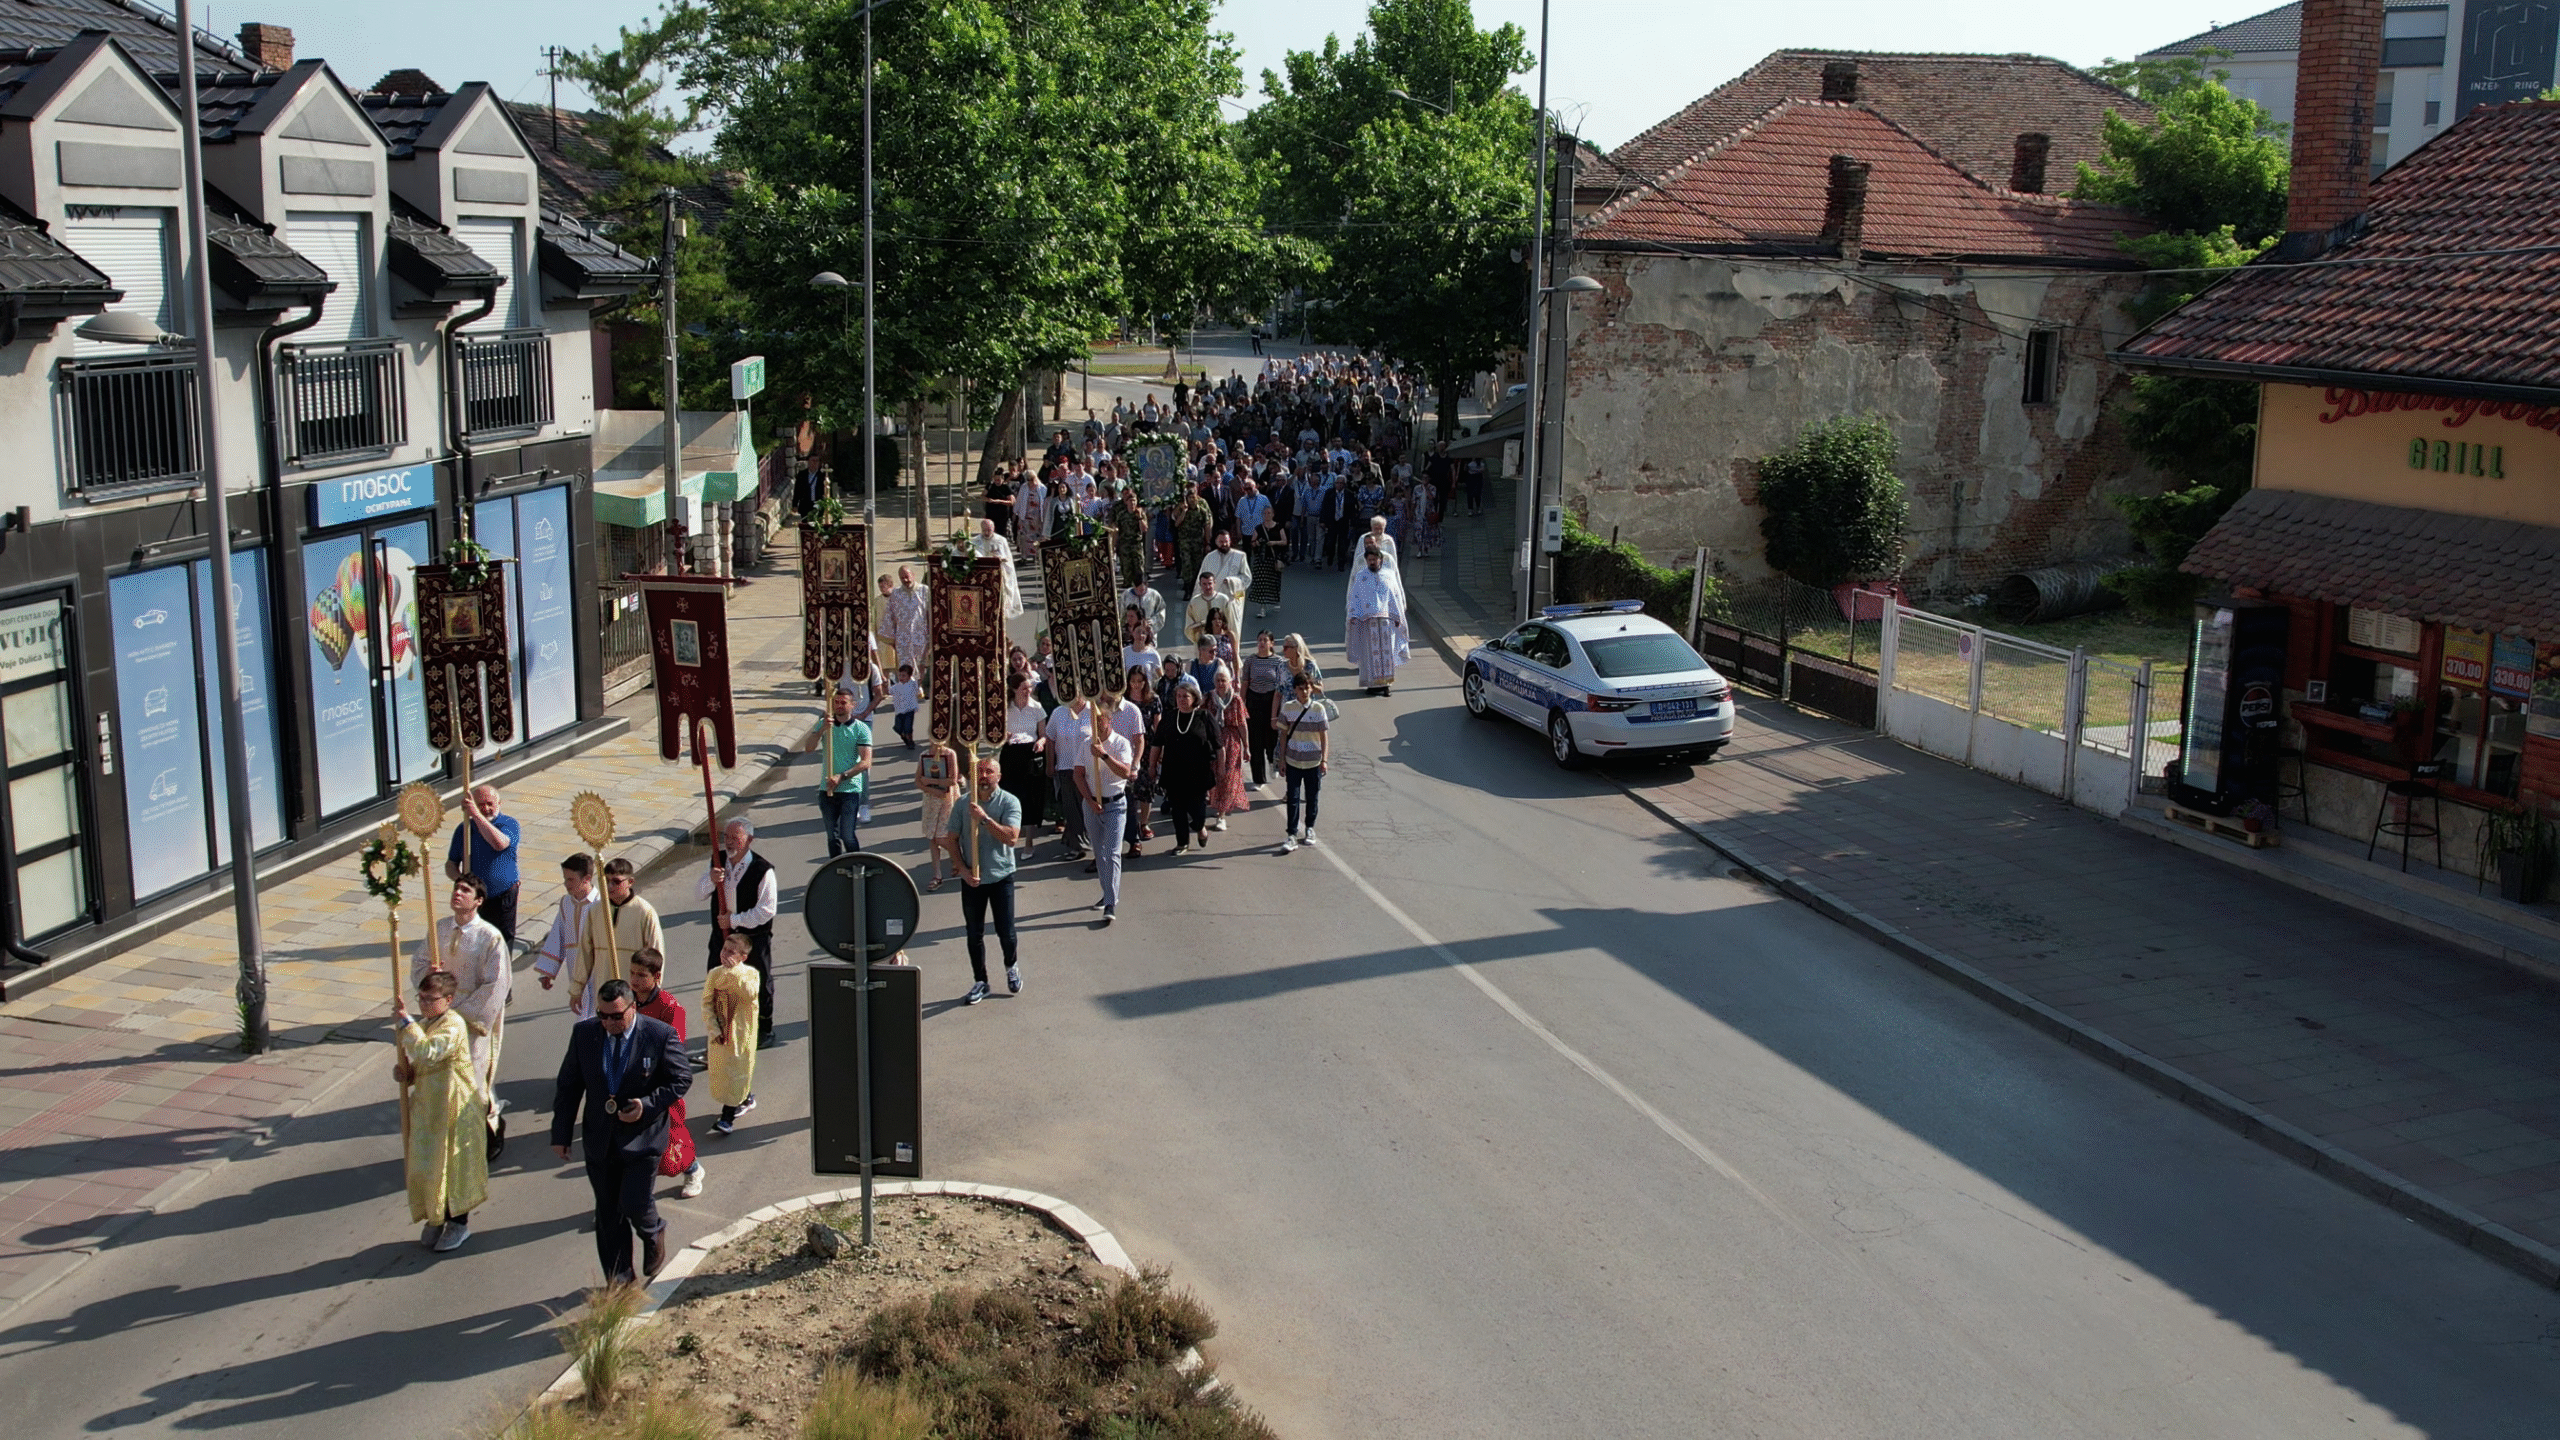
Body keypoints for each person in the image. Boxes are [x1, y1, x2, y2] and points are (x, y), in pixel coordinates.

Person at [551, 978, 692, 1284]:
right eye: (603, 1015)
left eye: (616, 1016)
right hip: (601, 1138)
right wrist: (561, 1134)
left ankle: (653, 1231)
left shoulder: (658, 1034)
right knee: (608, 1213)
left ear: (633, 1007)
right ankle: (620, 1282)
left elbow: (680, 1079)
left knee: (634, 1203)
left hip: (643, 1138)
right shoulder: (585, 1034)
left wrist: (648, 1104)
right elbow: (569, 1086)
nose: (609, 1022)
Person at [393, 969, 487, 1254]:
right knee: (429, 1163)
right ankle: (436, 1215)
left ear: (449, 999)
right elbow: (422, 1064)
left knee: (453, 1165)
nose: (424, 1004)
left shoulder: (453, 1024)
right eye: (420, 998)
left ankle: (458, 1222)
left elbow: (430, 1052)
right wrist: (407, 1074)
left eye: (430, 999)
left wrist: (406, 1024)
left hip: (453, 1107)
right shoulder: (428, 1022)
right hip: (428, 1109)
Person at [412, 876, 510, 1102]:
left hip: (470, 1021)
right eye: (456, 888)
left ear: (478, 901)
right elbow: (418, 962)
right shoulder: (440, 928)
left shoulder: (489, 936)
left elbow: (496, 983)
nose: (457, 893)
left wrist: (460, 1016)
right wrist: (428, 973)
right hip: (439, 1015)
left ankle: (483, 1125)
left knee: (471, 1076)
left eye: (465, 890)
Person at [627, 948, 705, 1199]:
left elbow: (674, 1049)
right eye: (632, 973)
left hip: (660, 1083)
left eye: (641, 975)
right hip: (632, 1082)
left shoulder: (670, 1008)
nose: (635, 980)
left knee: (670, 1137)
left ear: (656, 976)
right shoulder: (627, 1001)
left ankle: (692, 1169)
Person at [948, 753, 1024, 1005]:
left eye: (988, 772)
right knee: (973, 932)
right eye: (978, 772)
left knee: (1006, 931)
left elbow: (1011, 838)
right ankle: (981, 981)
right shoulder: (962, 804)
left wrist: (983, 818)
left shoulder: (1009, 802)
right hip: (973, 880)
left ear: (998, 776)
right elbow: (951, 839)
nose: (982, 777)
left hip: (1001, 876)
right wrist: (962, 869)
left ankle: (1011, 965)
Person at [697, 819, 779, 1049]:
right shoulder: (718, 860)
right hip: (721, 937)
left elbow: (766, 910)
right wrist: (710, 880)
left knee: (757, 982)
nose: (730, 842)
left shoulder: (763, 870)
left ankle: (764, 1028)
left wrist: (735, 920)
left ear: (749, 840)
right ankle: (720, 1030)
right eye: (727, 837)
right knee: (717, 979)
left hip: (753, 938)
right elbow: (699, 894)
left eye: (736, 837)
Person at [570, 857, 663, 1006]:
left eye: (616, 881)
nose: (609, 886)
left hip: (634, 992)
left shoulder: (644, 912)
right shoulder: (595, 911)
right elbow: (585, 952)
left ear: (630, 882)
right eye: (606, 881)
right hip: (604, 988)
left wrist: (653, 993)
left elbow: (656, 955)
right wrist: (576, 989)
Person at [444, 784, 521, 947]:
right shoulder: (465, 829)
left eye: (489, 804)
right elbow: (451, 864)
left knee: (501, 942)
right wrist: (461, 880)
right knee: (476, 940)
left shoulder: (508, 824)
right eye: (480, 805)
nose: (485, 808)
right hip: (476, 898)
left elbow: (499, 843)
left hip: (502, 896)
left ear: (499, 804)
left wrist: (476, 814)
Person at [1079, 703, 1135, 925]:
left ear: (1108, 721)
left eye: (1099, 720)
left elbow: (1125, 772)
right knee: (1099, 853)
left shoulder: (1121, 743)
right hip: (1093, 804)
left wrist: (1103, 756)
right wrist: (1090, 800)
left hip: (1115, 805)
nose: (1095, 725)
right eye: (1092, 721)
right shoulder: (1086, 744)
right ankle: (1107, 892)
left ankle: (1111, 902)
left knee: (1112, 852)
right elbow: (1078, 774)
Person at [1152, 676, 1220, 853]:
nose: (1181, 700)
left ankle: (1200, 827)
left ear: (1194, 699)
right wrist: (1152, 767)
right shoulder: (1169, 718)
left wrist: (1221, 768)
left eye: (1185, 696)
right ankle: (1182, 843)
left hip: (1198, 773)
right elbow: (1157, 743)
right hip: (1174, 772)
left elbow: (1219, 746)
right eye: (1179, 696)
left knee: (1197, 809)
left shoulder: (1203, 717)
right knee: (1178, 809)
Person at [808, 683, 874, 856]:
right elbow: (808, 748)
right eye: (836, 702)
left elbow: (866, 762)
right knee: (832, 837)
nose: (839, 705)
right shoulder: (825, 725)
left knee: (847, 835)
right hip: (827, 788)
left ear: (852, 705)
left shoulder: (861, 729)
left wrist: (842, 776)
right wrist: (821, 729)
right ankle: (835, 870)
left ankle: (857, 865)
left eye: (843, 702)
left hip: (849, 788)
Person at [705, 931, 759, 1134]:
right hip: (720, 1033)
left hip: (741, 1034)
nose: (725, 954)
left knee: (738, 1070)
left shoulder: (751, 974)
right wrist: (713, 1028)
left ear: (743, 957)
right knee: (724, 1072)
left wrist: (734, 972)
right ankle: (745, 1097)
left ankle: (727, 1118)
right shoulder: (714, 974)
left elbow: (749, 993)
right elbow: (706, 1003)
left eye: (731, 952)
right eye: (724, 949)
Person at [534, 853, 602, 1016]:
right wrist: (547, 971)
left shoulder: (601, 904)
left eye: (571, 880)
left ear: (586, 878)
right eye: (565, 879)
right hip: (575, 972)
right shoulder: (566, 903)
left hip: (597, 972)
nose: (566, 884)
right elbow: (558, 936)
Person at [1345, 543, 1410, 694]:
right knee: (1370, 653)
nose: (1372, 562)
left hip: (1386, 621)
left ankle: (1386, 685)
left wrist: (1398, 615)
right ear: (1366, 560)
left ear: (1380, 559)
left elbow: (1395, 596)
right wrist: (1353, 615)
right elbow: (1355, 597)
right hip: (1368, 621)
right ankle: (1372, 685)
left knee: (1386, 653)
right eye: (1369, 560)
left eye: (1374, 559)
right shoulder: (1361, 576)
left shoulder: (1388, 575)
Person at [1278, 670, 1330, 852]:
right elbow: (1283, 735)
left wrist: (1324, 760)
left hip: (1313, 762)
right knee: (1292, 799)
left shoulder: (1318, 709)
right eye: (1301, 689)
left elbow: (1324, 737)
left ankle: (1309, 828)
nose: (1305, 692)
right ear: (1295, 690)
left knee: (1312, 798)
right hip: (1293, 761)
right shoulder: (1288, 708)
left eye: (1307, 688)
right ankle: (1291, 834)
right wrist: (1282, 760)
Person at [1045, 692, 1093, 861]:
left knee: (1087, 806)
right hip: (1066, 767)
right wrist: (1050, 764)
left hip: (1089, 769)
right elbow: (1050, 738)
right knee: (1071, 807)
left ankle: (1090, 839)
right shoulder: (1058, 712)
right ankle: (1076, 845)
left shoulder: (1093, 711)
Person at [998, 675, 1048, 833]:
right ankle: (1011, 826)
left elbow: (1043, 735)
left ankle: (1029, 832)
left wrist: (1041, 742)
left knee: (1030, 795)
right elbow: (997, 731)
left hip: (1030, 753)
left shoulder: (1037, 707)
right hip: (1011, 752)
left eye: (1029, 688)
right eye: (1024, 688)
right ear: (1014, 690)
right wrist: (1004, 735)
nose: (1028, 691)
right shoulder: (1006, 707)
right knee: (1010, 791)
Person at [1242, 633, 1288, 790]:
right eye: (1259, 640)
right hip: (1254, 701)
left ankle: (1272, 761)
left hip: (1272, 701)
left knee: (1271, 737)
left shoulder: (1279, 661)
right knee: (1255, 741)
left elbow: (1282, 686)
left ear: (1272, 643)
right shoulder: (1250, 661)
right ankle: (1258, 779)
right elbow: (1245, 684)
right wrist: (1241, 705)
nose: (1261, 643)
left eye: (1265, 640)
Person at [915, 735, 961, 892]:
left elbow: (953, 780)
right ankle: (937, 875)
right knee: (932, 837)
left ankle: (957, 858)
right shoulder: (924, 756)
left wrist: (936, 783)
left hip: (947, 799)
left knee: (942, 837)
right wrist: (931, 789)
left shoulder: (950, 754)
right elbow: (918, 780)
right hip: (930, 800)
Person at [1207, 665, 1250, 829]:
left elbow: (1242, 724)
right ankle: (1216, 803)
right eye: (1217, 680)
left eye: (1223, 680)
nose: (1220, 683)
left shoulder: (1236, 699)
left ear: (1229, 681)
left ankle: (1221, 815)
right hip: (1213, 742)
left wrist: (1246, 747)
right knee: (1216, 775)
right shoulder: (1209, 698)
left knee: (1227, 777)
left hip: (1231, 743)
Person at [973, 518, 1025, 618]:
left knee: (999, 604)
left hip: (999, 576)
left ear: (993, 529)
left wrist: (1001, 559)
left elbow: (1008, 559)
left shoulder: (1001, 540)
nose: (987, 533)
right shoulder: (975, 541)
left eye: (989, 530)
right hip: (982, 577)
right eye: (984, 530)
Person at [884, 566, 929, 677]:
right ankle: (906, 691)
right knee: (905, 668)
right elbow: (890, 616)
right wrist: (892, 638)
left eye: (907, 577)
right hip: (903, 638)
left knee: (921, 665)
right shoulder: (895, 594)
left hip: (921, 636)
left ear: (913, 575)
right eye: (902, 578)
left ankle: (920, 689)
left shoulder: (924, 590)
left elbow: (930, 613)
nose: (905, 580)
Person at [1198, 528, 1251, 619]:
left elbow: (1247, 578)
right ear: (1216, 542)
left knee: (1232, 625)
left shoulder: (1240, 556)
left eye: (1226, 541)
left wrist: (1232, 581)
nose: (1224, 544)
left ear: (1230, 541)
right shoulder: (1209, 557)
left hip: (1234, 597)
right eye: (1221, 541)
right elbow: (1201, 578)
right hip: (1213, 597)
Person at [1110, 487, 1151, 591]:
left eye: (1134, 502)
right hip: (1124, 545)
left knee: (1139, 569)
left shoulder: (1140, 513)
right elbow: (1116, 530)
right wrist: (1114, 546)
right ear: (1126, 502)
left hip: (1136, 544)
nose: (1132, 504)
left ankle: (1140, 588)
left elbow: (1145, 529)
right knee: (1126, 570)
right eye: (1130, 501)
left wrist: (1140, 518)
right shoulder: (1121, 515)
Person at [888, 664, 922, 749]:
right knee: (898, 727)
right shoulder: (896, 686)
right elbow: (889, 691)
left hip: (909, 710)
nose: (901, 677)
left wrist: (919, 667)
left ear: (909, 676)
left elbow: (919, 678)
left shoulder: (913, 684)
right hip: (899, 711)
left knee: (908, 727)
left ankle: (910, 741)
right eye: (900, 675)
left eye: (904, 675)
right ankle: (904, 736)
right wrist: (885, 683)